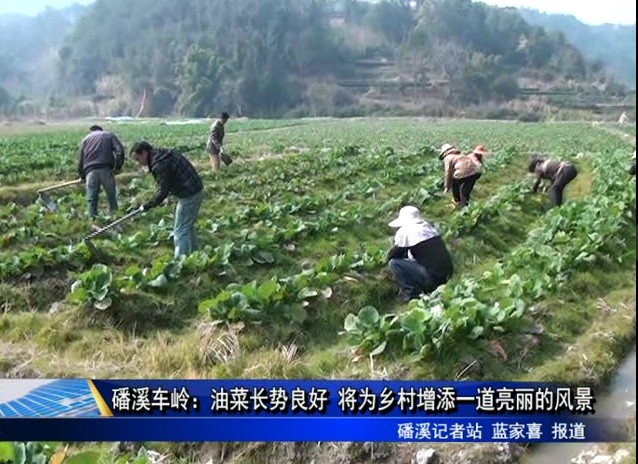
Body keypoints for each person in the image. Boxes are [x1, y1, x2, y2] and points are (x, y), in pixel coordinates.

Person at [130, 141, 204, 258]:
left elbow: (162, 191)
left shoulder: (159, 164)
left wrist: (147, 205)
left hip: (189, 194)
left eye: (138, 159)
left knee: (180, 231)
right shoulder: (162, 153)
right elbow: (166, 183)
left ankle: (181, 263)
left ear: (144, 153)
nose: (139, 164)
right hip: (195, 189)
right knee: (187, 226)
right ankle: (194, 255)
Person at [386, 205, 454, 302]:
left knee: (394, 263)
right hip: (446, 276)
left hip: (432, 278)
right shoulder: (427, 227)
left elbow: (392, 255)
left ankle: (410, 293)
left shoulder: (406, 231)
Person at [78, 125, 125, 220]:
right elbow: (120, 151)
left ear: (91, 131)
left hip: (90, 171)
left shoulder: (85, 140)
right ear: (100, 130)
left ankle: (93, 220)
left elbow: (81, 159)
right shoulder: (109, 135)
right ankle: (116, 218)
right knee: (111, 197)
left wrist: (82, 175)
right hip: (105, 169)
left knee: (91, 199)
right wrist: (118, 167)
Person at [439, 143, 483, 209]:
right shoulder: (460, 154)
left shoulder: (448, 158)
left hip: (463, 174)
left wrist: (446, 187)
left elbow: (448, 173)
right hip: (475, 173)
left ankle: (459, 204)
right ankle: (464, 207)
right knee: (464, 191)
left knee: (456, 185)